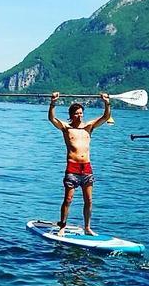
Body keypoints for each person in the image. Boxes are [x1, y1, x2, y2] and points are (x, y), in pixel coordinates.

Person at [47, 91, 111, 236]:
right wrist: (53, 103)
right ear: (71, 115)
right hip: (72, 167)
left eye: (81, 113)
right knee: (68, 199)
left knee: (88, 200)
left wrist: (106, 102)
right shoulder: (66, 128)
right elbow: (51, 118)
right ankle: (62, 226)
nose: (79, 115)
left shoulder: (89, 127)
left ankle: (87, 228)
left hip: (87, 168)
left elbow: (106, 117)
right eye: (76, 113)